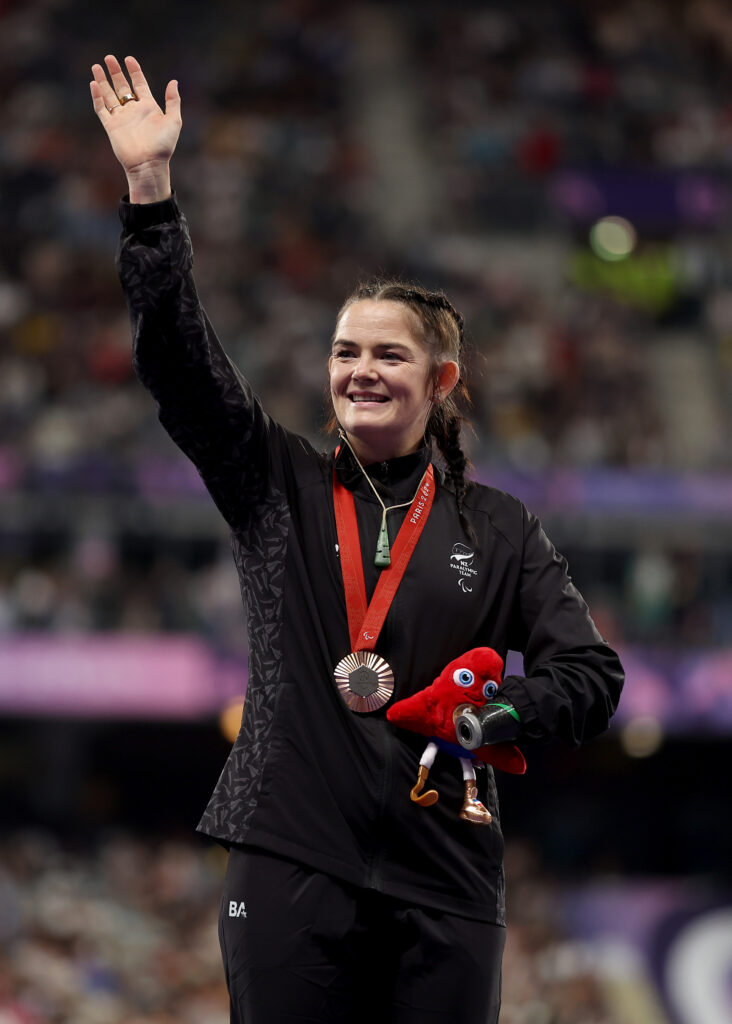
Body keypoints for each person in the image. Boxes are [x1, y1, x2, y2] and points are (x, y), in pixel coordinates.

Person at [90, 54, 624, 1024]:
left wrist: (498, 715)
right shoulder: (275, 482)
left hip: (448, 877)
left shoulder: (500, 527)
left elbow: (593, 675)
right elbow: (176, 362)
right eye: (345, 352)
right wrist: (150, 198)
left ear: (442, 380)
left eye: (388, 353)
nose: (361, 371)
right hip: (290, 854)